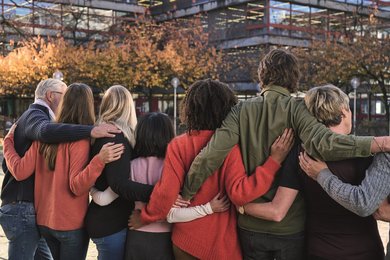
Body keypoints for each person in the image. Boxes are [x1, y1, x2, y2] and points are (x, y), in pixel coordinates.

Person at [180, 49, 389, 259]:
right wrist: (382, 143)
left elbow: (211, 155)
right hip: (290, 228)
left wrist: (186, 194)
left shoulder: (240, 111)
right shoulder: (297, 109)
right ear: (294, 77)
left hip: (251, 227)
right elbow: (326, 143)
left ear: (262, 75)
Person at [128, 79, 294, 259]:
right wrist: (273, 162)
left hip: (184, 240)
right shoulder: (231, 146)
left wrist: (145, 217)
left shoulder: (178, 145)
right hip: (222, 245)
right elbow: (241, 193)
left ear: (190, 109)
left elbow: (165, 194)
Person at [245, 85, 384, 259]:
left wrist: (242, 207)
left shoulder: (301, 153)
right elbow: (382, 211)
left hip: (319, 251)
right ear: (343, 111)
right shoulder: (367, 153)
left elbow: (277, 211)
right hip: (365, 252)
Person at [0, 78, 119, 260]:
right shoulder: (79, 141)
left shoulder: (44, 138)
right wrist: (99, 160)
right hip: (69, 224)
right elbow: (76, 186)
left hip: (45, 223)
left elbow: (20, 170)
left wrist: (8, 143)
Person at [84, 85, 154, 260]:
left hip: (106, 219)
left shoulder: (102, 133)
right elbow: (118, 183)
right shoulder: (115, 137)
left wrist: (97, 194)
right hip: (111, 223)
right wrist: (158, 192)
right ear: (127, 106)